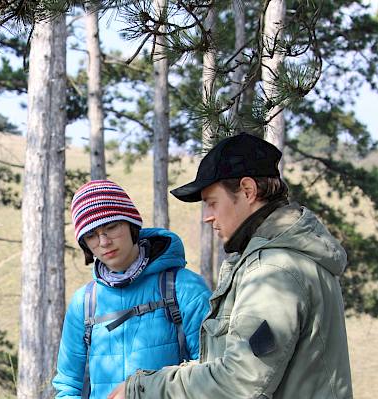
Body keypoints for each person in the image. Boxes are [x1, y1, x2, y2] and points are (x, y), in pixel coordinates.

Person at [108, 133, 353, 398]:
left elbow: (241, 381)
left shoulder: (274, 271)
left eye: (212, 203)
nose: (207, 217)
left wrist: (144, 389)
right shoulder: (281, 259)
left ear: (247, 191)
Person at [53, 180, 212, 399]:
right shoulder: (84, 303)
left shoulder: (185, 288)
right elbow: (68, 385)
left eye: (111, 227)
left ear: (131, 225)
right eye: (91, 235)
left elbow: (211, 372)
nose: (104, 242)